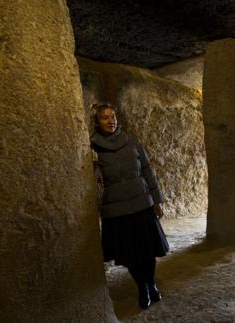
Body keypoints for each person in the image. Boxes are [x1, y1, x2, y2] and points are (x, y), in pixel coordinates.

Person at [90, 103, 169, 310]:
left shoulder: (132, 141)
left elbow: (147, 169)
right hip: (116, 209)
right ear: (96, 122)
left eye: (113, 117)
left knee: (148, 249)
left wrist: (157, 200)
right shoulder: (91, 147)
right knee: (129, 253)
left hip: (142, 202)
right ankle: (142, 286)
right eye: (105, 118)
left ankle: (151, 283)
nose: (111, 121)